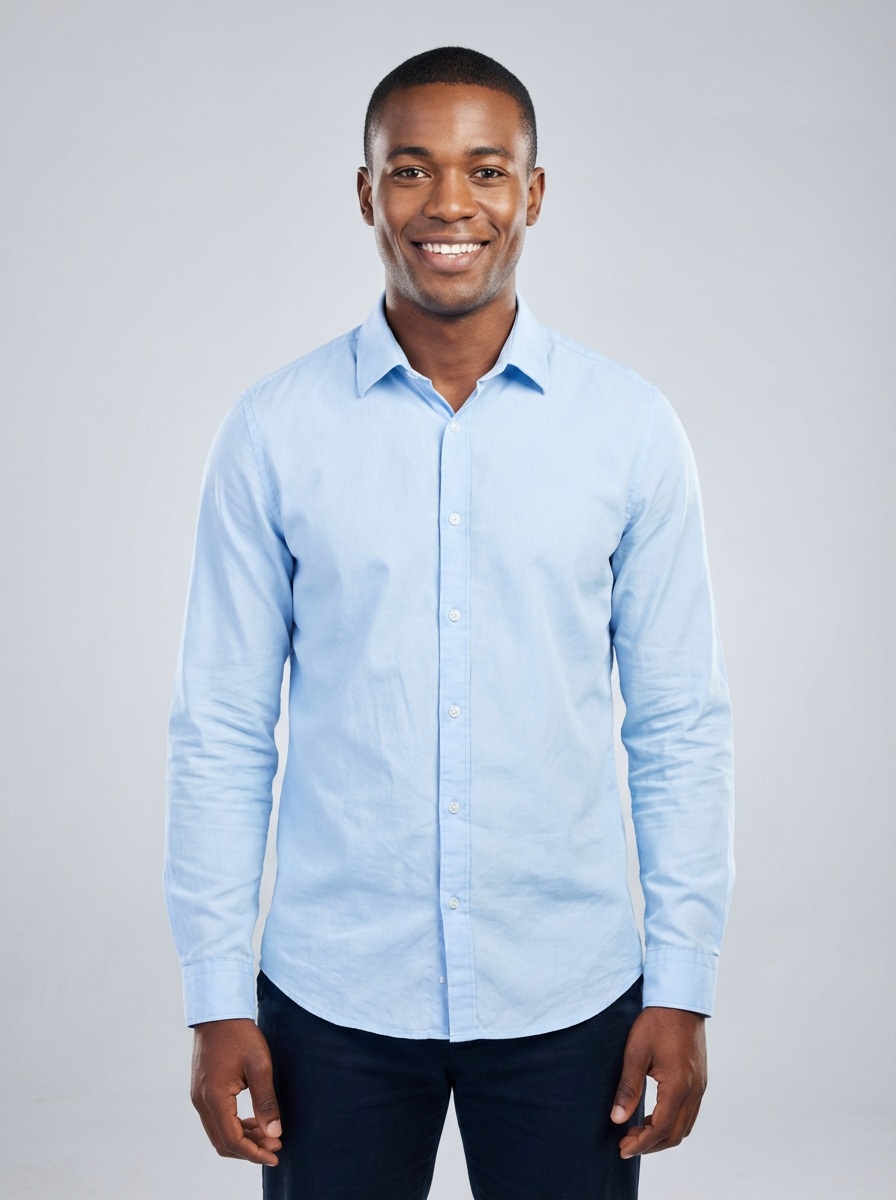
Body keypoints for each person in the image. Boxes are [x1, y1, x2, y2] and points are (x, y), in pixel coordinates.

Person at [165, 46, 735, 1200]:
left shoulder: (628, 429)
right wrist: (217, 997)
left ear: (532, 192)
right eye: (411, 168)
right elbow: (221, 728)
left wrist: (680, 983)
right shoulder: (272, 432)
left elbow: (677, 723)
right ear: (365, 192)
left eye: (485, 169)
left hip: (568, 994)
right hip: (332, 1000)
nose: (448, 204)